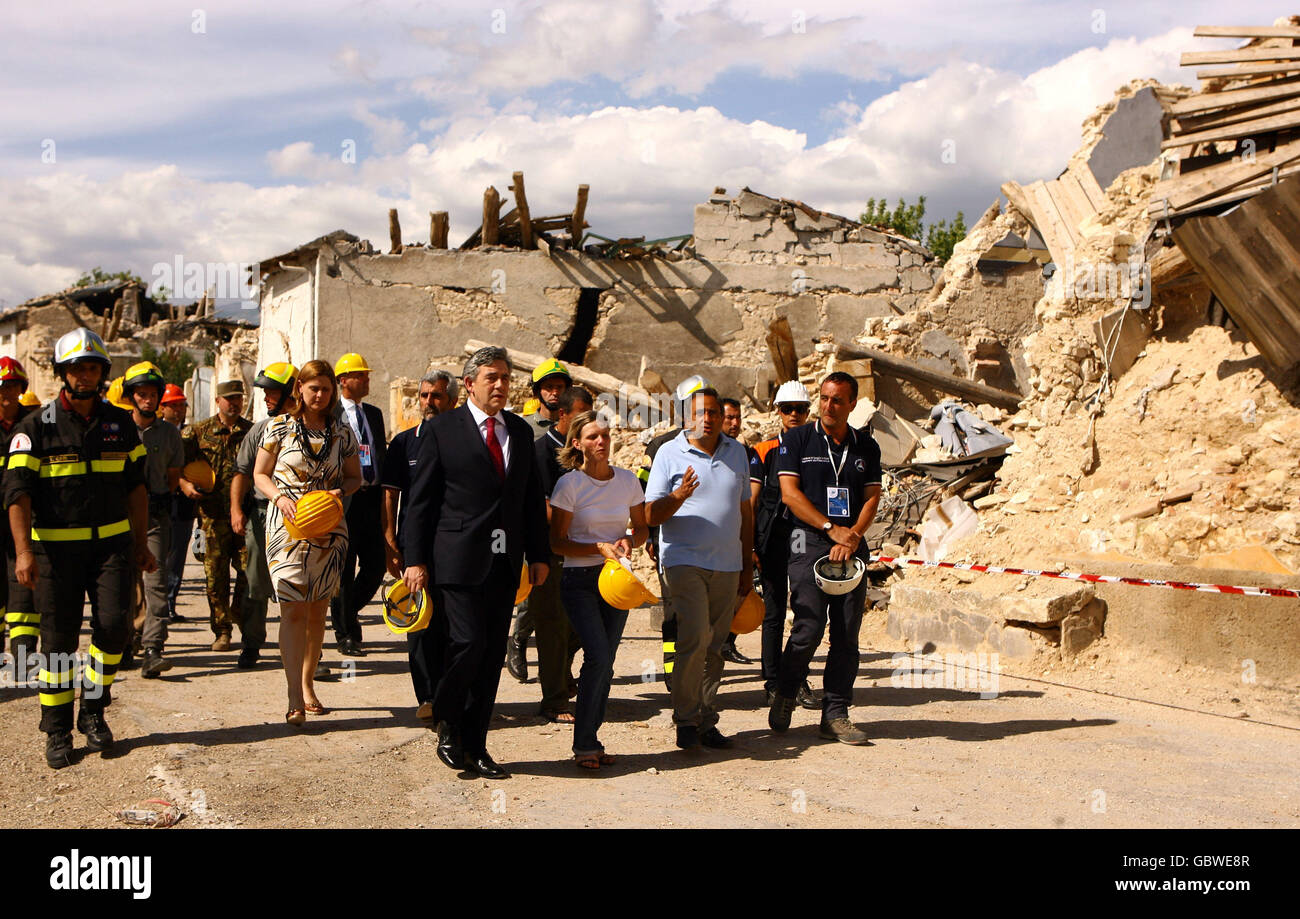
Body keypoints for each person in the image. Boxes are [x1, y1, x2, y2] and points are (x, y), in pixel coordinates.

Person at [5, 329, 155, 768]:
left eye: (92, 367)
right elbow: (17, 495)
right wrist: (25, 553)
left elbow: (138, 489)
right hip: (53, 556)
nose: (85, 375)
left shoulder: (120, 423)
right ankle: (56, 730)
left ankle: (93, 707)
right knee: (57, 645)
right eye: (76, 368)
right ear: (62, 374)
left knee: (113, 630)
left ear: (103, 374)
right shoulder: (33, 428)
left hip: (111, 549)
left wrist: (141, 543)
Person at [402, 345, 550, 780]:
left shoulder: (520, 433)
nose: (501, 385)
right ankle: (447, 720)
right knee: (465, 645)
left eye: (505, 377)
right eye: (492, 377)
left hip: (504, 563)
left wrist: (538, 555)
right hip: (455, 559)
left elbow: (527, 501)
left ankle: (477, 745)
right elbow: (420, 502)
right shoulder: (442, 429)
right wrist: (415, 560)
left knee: (488, 657)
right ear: (469, 384)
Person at [768, 372, 882, 745]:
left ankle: (836, 713)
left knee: (847, 634)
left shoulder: (866, 446)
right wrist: (830, 528)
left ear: (852, 404)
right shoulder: (798, 439)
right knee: (808, 627)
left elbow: (871, 497)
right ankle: (786, 691)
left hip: (850, 543)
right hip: (808, 537)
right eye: (824, 398)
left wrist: (853, 537)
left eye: (837, 400)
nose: (829, 406)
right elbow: (789, 494)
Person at [644, 386, 753, 751]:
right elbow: (649, 514)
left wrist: (746, 564)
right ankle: (685, 720)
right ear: (686, 417)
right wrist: (678, 497)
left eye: (713, 413)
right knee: (694, 638)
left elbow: (745, 512)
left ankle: (706, 718)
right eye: (700, 413)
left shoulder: (737, 452)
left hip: (727, 563)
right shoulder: (668, 453)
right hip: (683, 560)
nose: (707, 419)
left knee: (716, 646)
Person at [253, 360, 362, 725]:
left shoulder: (341, 432)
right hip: (286, 526)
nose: (319, 395)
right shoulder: (278, 427)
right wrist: (279, 498)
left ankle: (308, 682)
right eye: (313, 388)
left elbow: (355, 478)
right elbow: (260, 474)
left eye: (326, 389)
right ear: (299, 388)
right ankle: (293, 695)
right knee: (293, 609)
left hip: (329, 527)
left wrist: (338, 492)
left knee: (317, 610)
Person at [549, 410, 648, 768]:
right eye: (592, 437)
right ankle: (586, 743)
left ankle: (590, 738)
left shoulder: (628, 481)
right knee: (599, 656)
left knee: (604, 664)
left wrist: (628, 540)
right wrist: (597, 548)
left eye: (605, 435)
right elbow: (557, 543)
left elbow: (642, 528)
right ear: (577, 443)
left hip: (617, 581)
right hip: (580, 581)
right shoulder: (569, 485)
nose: (601, 442)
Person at [381, 369, 457, 722]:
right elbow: (391, 494)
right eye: (425, 395)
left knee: (455, 623)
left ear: (453, 401)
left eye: (437, 396)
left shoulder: (464, 441)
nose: (429, 402)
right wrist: (390, 541)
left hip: (457, 545)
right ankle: (426, 696)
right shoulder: (403, 443)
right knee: (420, 619)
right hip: (417, 545)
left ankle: (453, 694)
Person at [521, 384, 593, 719]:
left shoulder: (585, 452)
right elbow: (542, 507)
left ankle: (561, 675)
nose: (587, 423)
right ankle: (554, 700)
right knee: (551, 625)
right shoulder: (539, 452)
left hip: (584, 551)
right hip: (549, 552)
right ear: (562, 415)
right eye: (581, 416)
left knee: (584, 623)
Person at [637, 373, 710, 691]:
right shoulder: (661, 446)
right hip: (672, 543)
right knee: (674, 607)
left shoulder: (722, 445)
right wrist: (651, 537)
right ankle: (672, 668)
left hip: (711, 544)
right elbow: (645, 495)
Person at [752, 381, 820, 709]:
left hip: (807, 540)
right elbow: (751, 503)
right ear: (777, 411)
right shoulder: (763, 451)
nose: (794, 414)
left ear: (809, 412)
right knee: (774, 610)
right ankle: (771, 679)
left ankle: (795, 678)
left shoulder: (819, 450)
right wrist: (750, 545)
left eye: (800, 408)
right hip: (773, 539)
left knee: (806, 610)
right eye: (787, 408)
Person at [508, 358, 574, 677]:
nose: (554, 392)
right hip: (531, 518)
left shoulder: (574, 428)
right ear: (537, 391)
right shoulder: (523, 428)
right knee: (532, 590)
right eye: (548, 386)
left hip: (568, 520)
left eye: (559, 387)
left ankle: (562, 666)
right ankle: (519, 641)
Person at [230, 362, 298, 670]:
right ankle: (252, 643)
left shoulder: (313, 430)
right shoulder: (260, 430)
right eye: (265, 392)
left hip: (300, 519)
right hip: (261, 515)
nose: (267, 398)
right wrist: (235, 510)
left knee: (299, 584)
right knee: (255, 581)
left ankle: (307, 653)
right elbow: (242, 473)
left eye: (272, 392)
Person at [181, 379, 252, 652]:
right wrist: (186, 486)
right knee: (215, 576)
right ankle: (222, 631)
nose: (234, 403)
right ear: (218, 401)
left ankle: (239, 609)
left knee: (249, 572)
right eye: (229, 398)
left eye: (238, 398)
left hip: (243, 516)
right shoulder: (197, 432)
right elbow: (177, 466)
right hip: (209, 518)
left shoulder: (252, 432)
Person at [123, 362, 184, 679]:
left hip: (156, 513)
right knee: (123, 582)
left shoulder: (170, 434)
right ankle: (124, 642)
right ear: (131, 397)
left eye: (153, 394)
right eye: (141, 394)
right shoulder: (117, 429)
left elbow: (173, 477)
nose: (148, 400)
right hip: (119, 517)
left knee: (155, 580)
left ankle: (153, 649)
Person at [331, 352, 387, 657]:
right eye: (360, 375)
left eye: (366, 374)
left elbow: (378, 453)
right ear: (343, 380)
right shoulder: (332, 414)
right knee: (343, 568)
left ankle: (345, 611)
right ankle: (346, 634)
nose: (366, 379)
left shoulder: (374, 414)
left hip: (371, 499)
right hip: (344, 499)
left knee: (376, 565)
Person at [0, 357, 38, 669]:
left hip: (25, 519)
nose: (6, 392)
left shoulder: (33, 425)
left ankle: (23, 657)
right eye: (2, 386)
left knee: (24, 590)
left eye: (13, 386)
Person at [719, 396, 758, 666]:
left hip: (738, 537)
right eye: (728, 417)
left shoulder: (743, 453)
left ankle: (727, 642)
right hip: (712, 542)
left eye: (737, 417)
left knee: (742, 593)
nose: (734, 423)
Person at [159, 383, 192, 623]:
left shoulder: (192, 434)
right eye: (174, 406)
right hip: (159, 501)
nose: (179, 410)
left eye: (182, 405)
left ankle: (170, 602)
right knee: (158, 554)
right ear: (163, 408)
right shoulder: (155, 433)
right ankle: (156, 606)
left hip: (183, 505)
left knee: (177, 555)